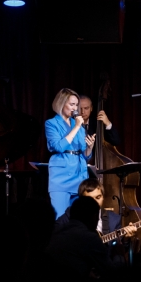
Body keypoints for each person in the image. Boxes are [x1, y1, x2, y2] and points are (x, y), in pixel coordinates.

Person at [46, 88, 95, 219]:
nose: (75, 108)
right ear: (61, 104)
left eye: (76, 105)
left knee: (79, 219)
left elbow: (85, 155)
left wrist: (89, 148)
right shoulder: (51, 123)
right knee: (60, 218)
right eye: (72, 104)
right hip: (61, 177)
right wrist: (77, 127)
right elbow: (59, 146)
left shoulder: (78, 124)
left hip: (79, 175)